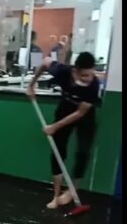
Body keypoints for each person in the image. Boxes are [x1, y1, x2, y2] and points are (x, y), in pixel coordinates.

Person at [26, 50, 101, 209]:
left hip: (85, 116)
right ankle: (55, 195)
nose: (88, 79)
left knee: (83, 152)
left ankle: (72, 190)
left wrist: (54, 127)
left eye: (90, 74)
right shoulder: (62, 71)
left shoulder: (93, 85)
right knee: (58, 150)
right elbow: (46, 61)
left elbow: (80, 113)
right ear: (75, 71)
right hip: (65, 108)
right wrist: (31, 84)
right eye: (84, 76)